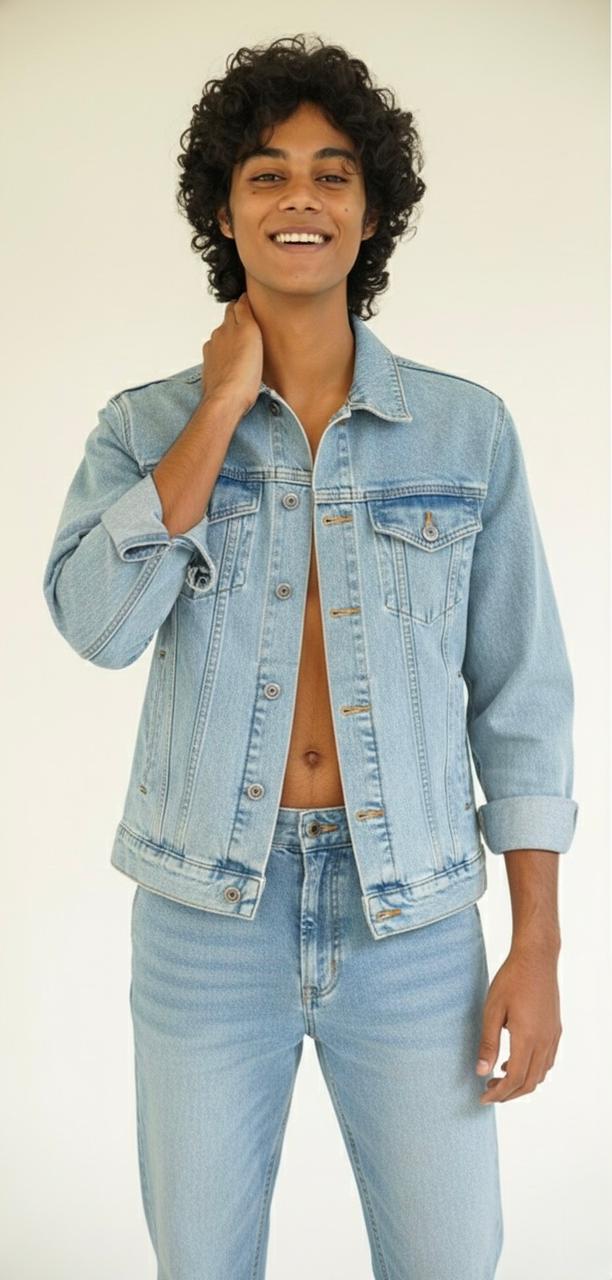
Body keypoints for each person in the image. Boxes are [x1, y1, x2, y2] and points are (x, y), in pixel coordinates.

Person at [42, 33, 578, 1280]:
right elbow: (96, 625)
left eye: (333, 173)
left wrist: (538, 940)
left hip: (416, 918)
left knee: (450, 1258)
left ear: (371, 211)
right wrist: (219, 407)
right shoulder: (143, 425)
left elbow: (523, 698)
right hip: (205, 917)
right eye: (268, 173)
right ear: (223, 211)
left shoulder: (467, 430)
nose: (302, 197)